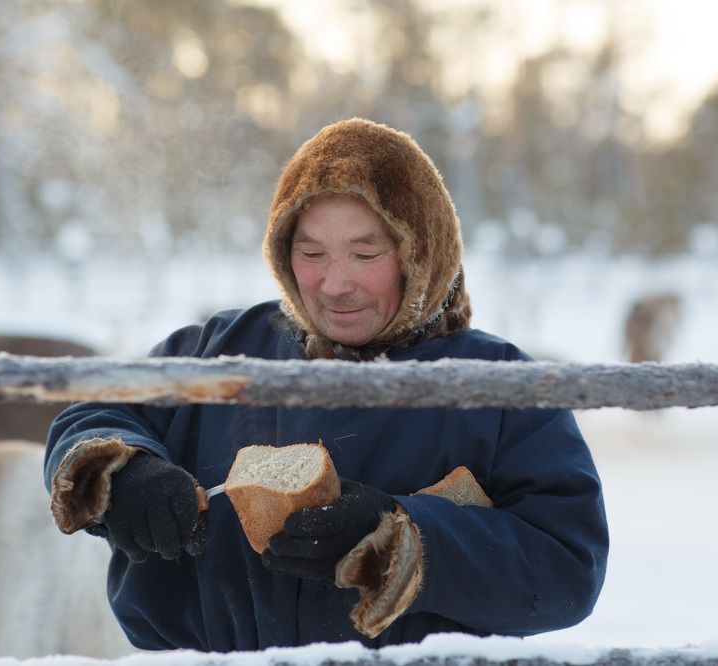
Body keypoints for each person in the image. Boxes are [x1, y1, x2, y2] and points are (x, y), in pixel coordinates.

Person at [44, 118, 608, 651]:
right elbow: (94, 411)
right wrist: (125, 470)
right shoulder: (222, 348)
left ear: (422, 252)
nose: (335, 284)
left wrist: (403, 538)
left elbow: (566, 564)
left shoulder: (497, 387)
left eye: (366, 254)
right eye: (311, 253)